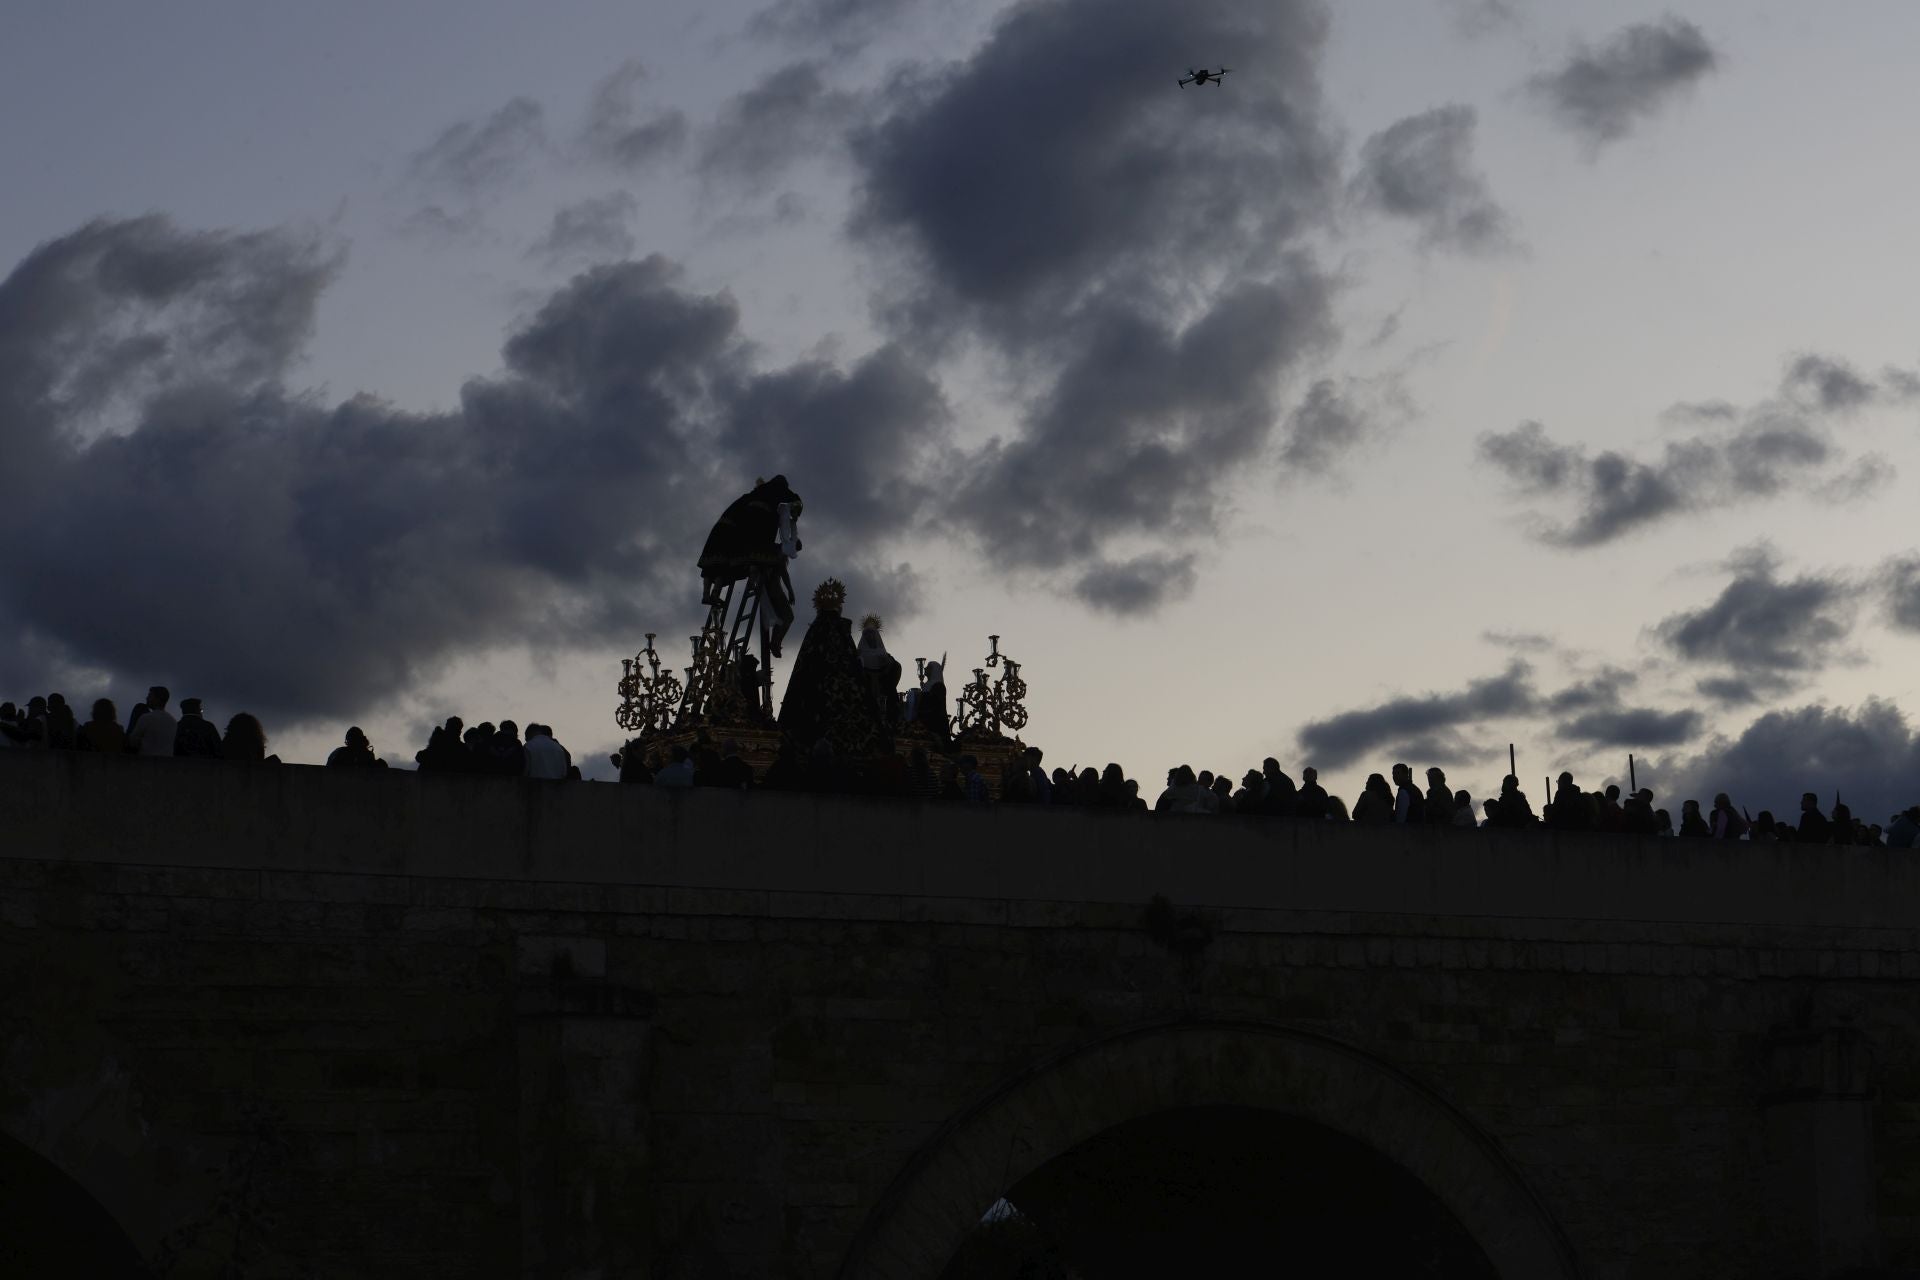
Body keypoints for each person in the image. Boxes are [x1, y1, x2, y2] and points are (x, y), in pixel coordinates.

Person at [127, 688, 178, 757]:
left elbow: (132, 741)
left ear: (157, 699)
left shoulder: (146, 718)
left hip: (147, 763)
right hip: (166, 764)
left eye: (150, 696)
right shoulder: (173, 722)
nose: (147, 698)